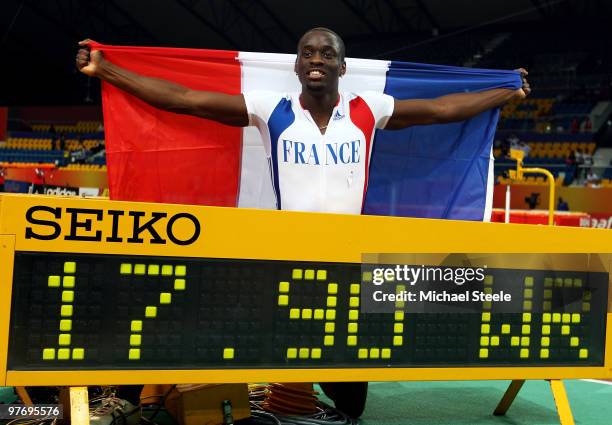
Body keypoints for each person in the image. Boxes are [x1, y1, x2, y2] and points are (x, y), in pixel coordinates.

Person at [76, 27, 530, 418]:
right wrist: (108, 71)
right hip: (283, 262)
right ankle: (151, 391)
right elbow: (186, 99)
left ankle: (301, 385)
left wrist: (506, 91)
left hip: (346, 266)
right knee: (236, 339)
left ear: (342, 66)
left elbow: (442, 109)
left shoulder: (368, 110)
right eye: (308, 53)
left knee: (351, 406)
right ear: (296, 65)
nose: (317, 60)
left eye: (327, 54)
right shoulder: (269, 108)